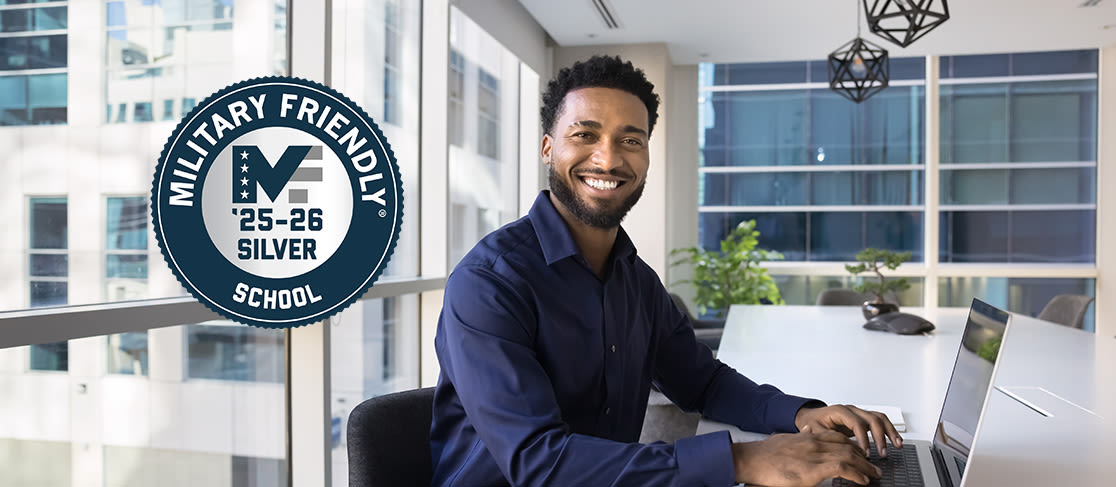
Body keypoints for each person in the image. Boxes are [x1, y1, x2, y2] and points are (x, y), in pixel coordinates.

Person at [429, 55, 902, 486]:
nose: (609, 158)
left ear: (647, 156)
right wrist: (742, 459)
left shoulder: (634, 280)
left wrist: (801, 414)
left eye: (629, 140)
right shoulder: (489, 283)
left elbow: (703, 382)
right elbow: (538, 462)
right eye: (585, 135)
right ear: (549, 148)